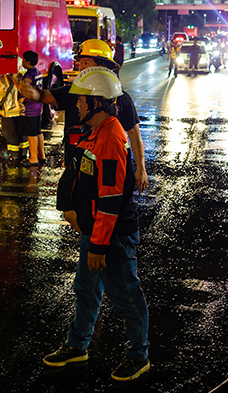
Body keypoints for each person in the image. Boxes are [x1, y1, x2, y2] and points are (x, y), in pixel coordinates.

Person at [42, 67, 150, 382]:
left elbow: (111, 199)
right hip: (95, 233)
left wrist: (99, 245)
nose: (76, 105)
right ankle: (77, 345)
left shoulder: (111, 138)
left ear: (97, 103)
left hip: (111, 237)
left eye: (81, 100)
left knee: (126, 295)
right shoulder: (96, 132)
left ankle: (139, 356)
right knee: (86, 290)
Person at [17, 39, 149, 195]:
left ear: (102, 66)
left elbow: (134, 134)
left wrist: (141, 168)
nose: (80, 67)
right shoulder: (72, 93)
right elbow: (44, 96)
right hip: (76, 172)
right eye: (80, 62)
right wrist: (30, 91)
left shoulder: (120, 98)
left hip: (107, 176)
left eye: (86, 63)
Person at [0, 71, 27, 164]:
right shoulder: (24, 74)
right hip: (22, 110)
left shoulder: (5, 77)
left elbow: (1, 92)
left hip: (9, 111)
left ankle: (14, 156)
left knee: (11, 134)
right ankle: (24, 154)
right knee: (22, 134)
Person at [20, 51, 45, 167]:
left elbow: (23, 90)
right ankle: (41, 155)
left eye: (23, 59)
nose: (22, 61)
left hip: (30, 108)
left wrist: (16, 80)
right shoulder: (37, 72)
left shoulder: (29, 75)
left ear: (27, 61)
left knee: (32, 134)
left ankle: (33, 158)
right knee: (38, 132)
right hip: (38, 107)